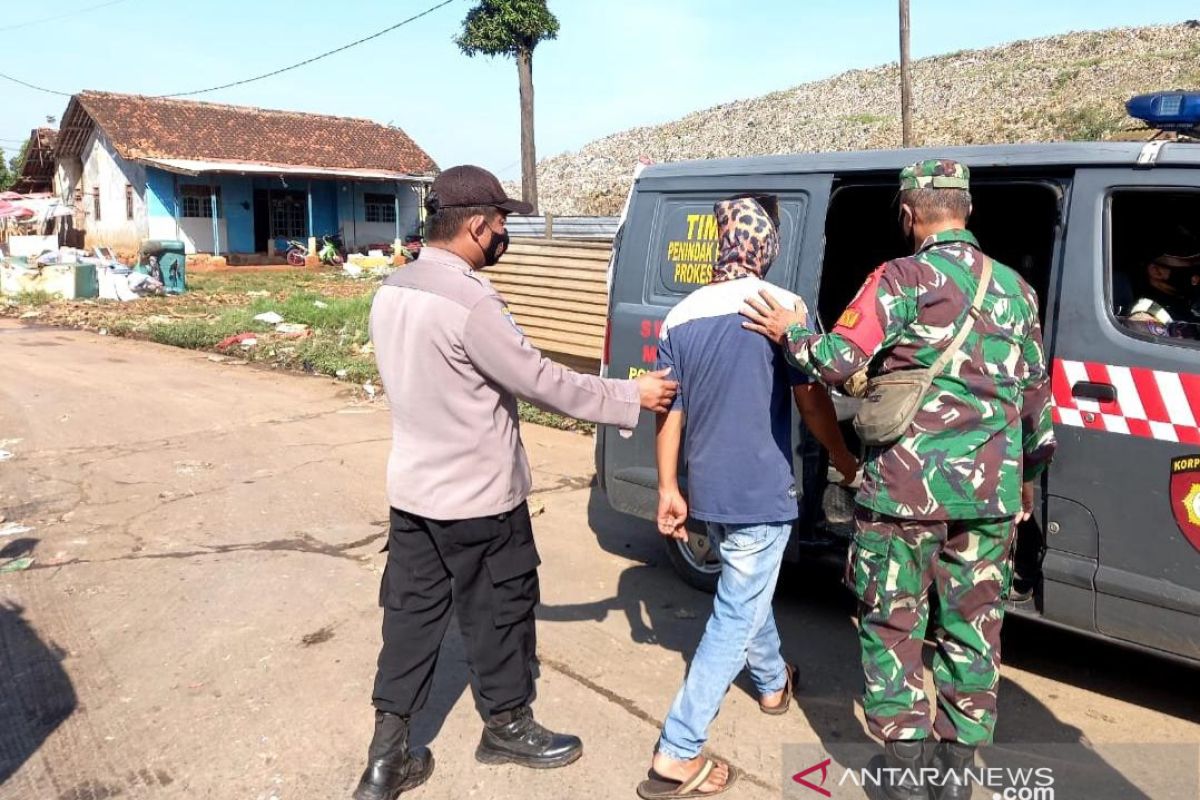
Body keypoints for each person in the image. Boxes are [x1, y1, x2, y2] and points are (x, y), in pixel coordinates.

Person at [355, 165, 678, 800]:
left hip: (413, 495)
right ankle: (506, 726)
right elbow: (543, 381)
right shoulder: (472, 303)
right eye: (501, 223)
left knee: (411, 619)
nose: (504, 234)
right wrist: (631, 394)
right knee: (499, 612)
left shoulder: (393, 288)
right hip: (478, 499)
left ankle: (385, 757)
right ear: (475, 226)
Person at [741, 160, 1056, 800]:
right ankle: (957, 776)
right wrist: (1024, 484)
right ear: (966, 211)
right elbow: (1038, 414)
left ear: (909, 215)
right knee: (973, 633)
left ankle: (907, 779)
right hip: (990, 500)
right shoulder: (1018, 291)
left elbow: (836, 363)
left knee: (893, 626)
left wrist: (789, 331)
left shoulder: (900, 278)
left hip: (904, 498)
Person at [638, 195, 858, 799]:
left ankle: (771, 685)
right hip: (762, 488)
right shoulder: (780, 306)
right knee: (735, 611)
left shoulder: (680, 314)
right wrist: (843, 460)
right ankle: (676, 752)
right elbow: (812, 400)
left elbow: (668, 411)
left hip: (709, 485)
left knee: (746, 588)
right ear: (767, 244)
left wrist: (667, 487)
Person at [1122, 251, 1200, 341]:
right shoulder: (1144, 316)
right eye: (1191, 263)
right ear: (1155, 271)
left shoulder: (1185, 307)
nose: (1196, 277)